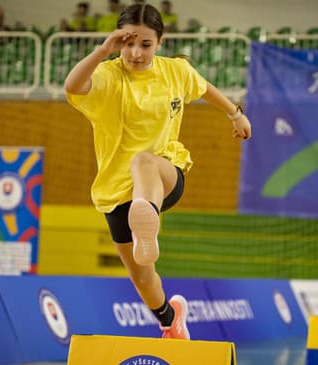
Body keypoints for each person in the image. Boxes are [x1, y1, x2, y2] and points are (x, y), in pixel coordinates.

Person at [64, 3, 251, 340]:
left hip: (164, 174)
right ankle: (169, 319)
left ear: (160, 42)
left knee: (143, 161)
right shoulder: (109, 74)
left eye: (146, 45)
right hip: (116, 192)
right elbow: (74, 86)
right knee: (141, 276)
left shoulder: (175, 71)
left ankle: (146, 216)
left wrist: (235, 114)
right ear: (120, 42)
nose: (136, 52)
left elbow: (204, 87)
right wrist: (103, 51)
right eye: (129, 44)